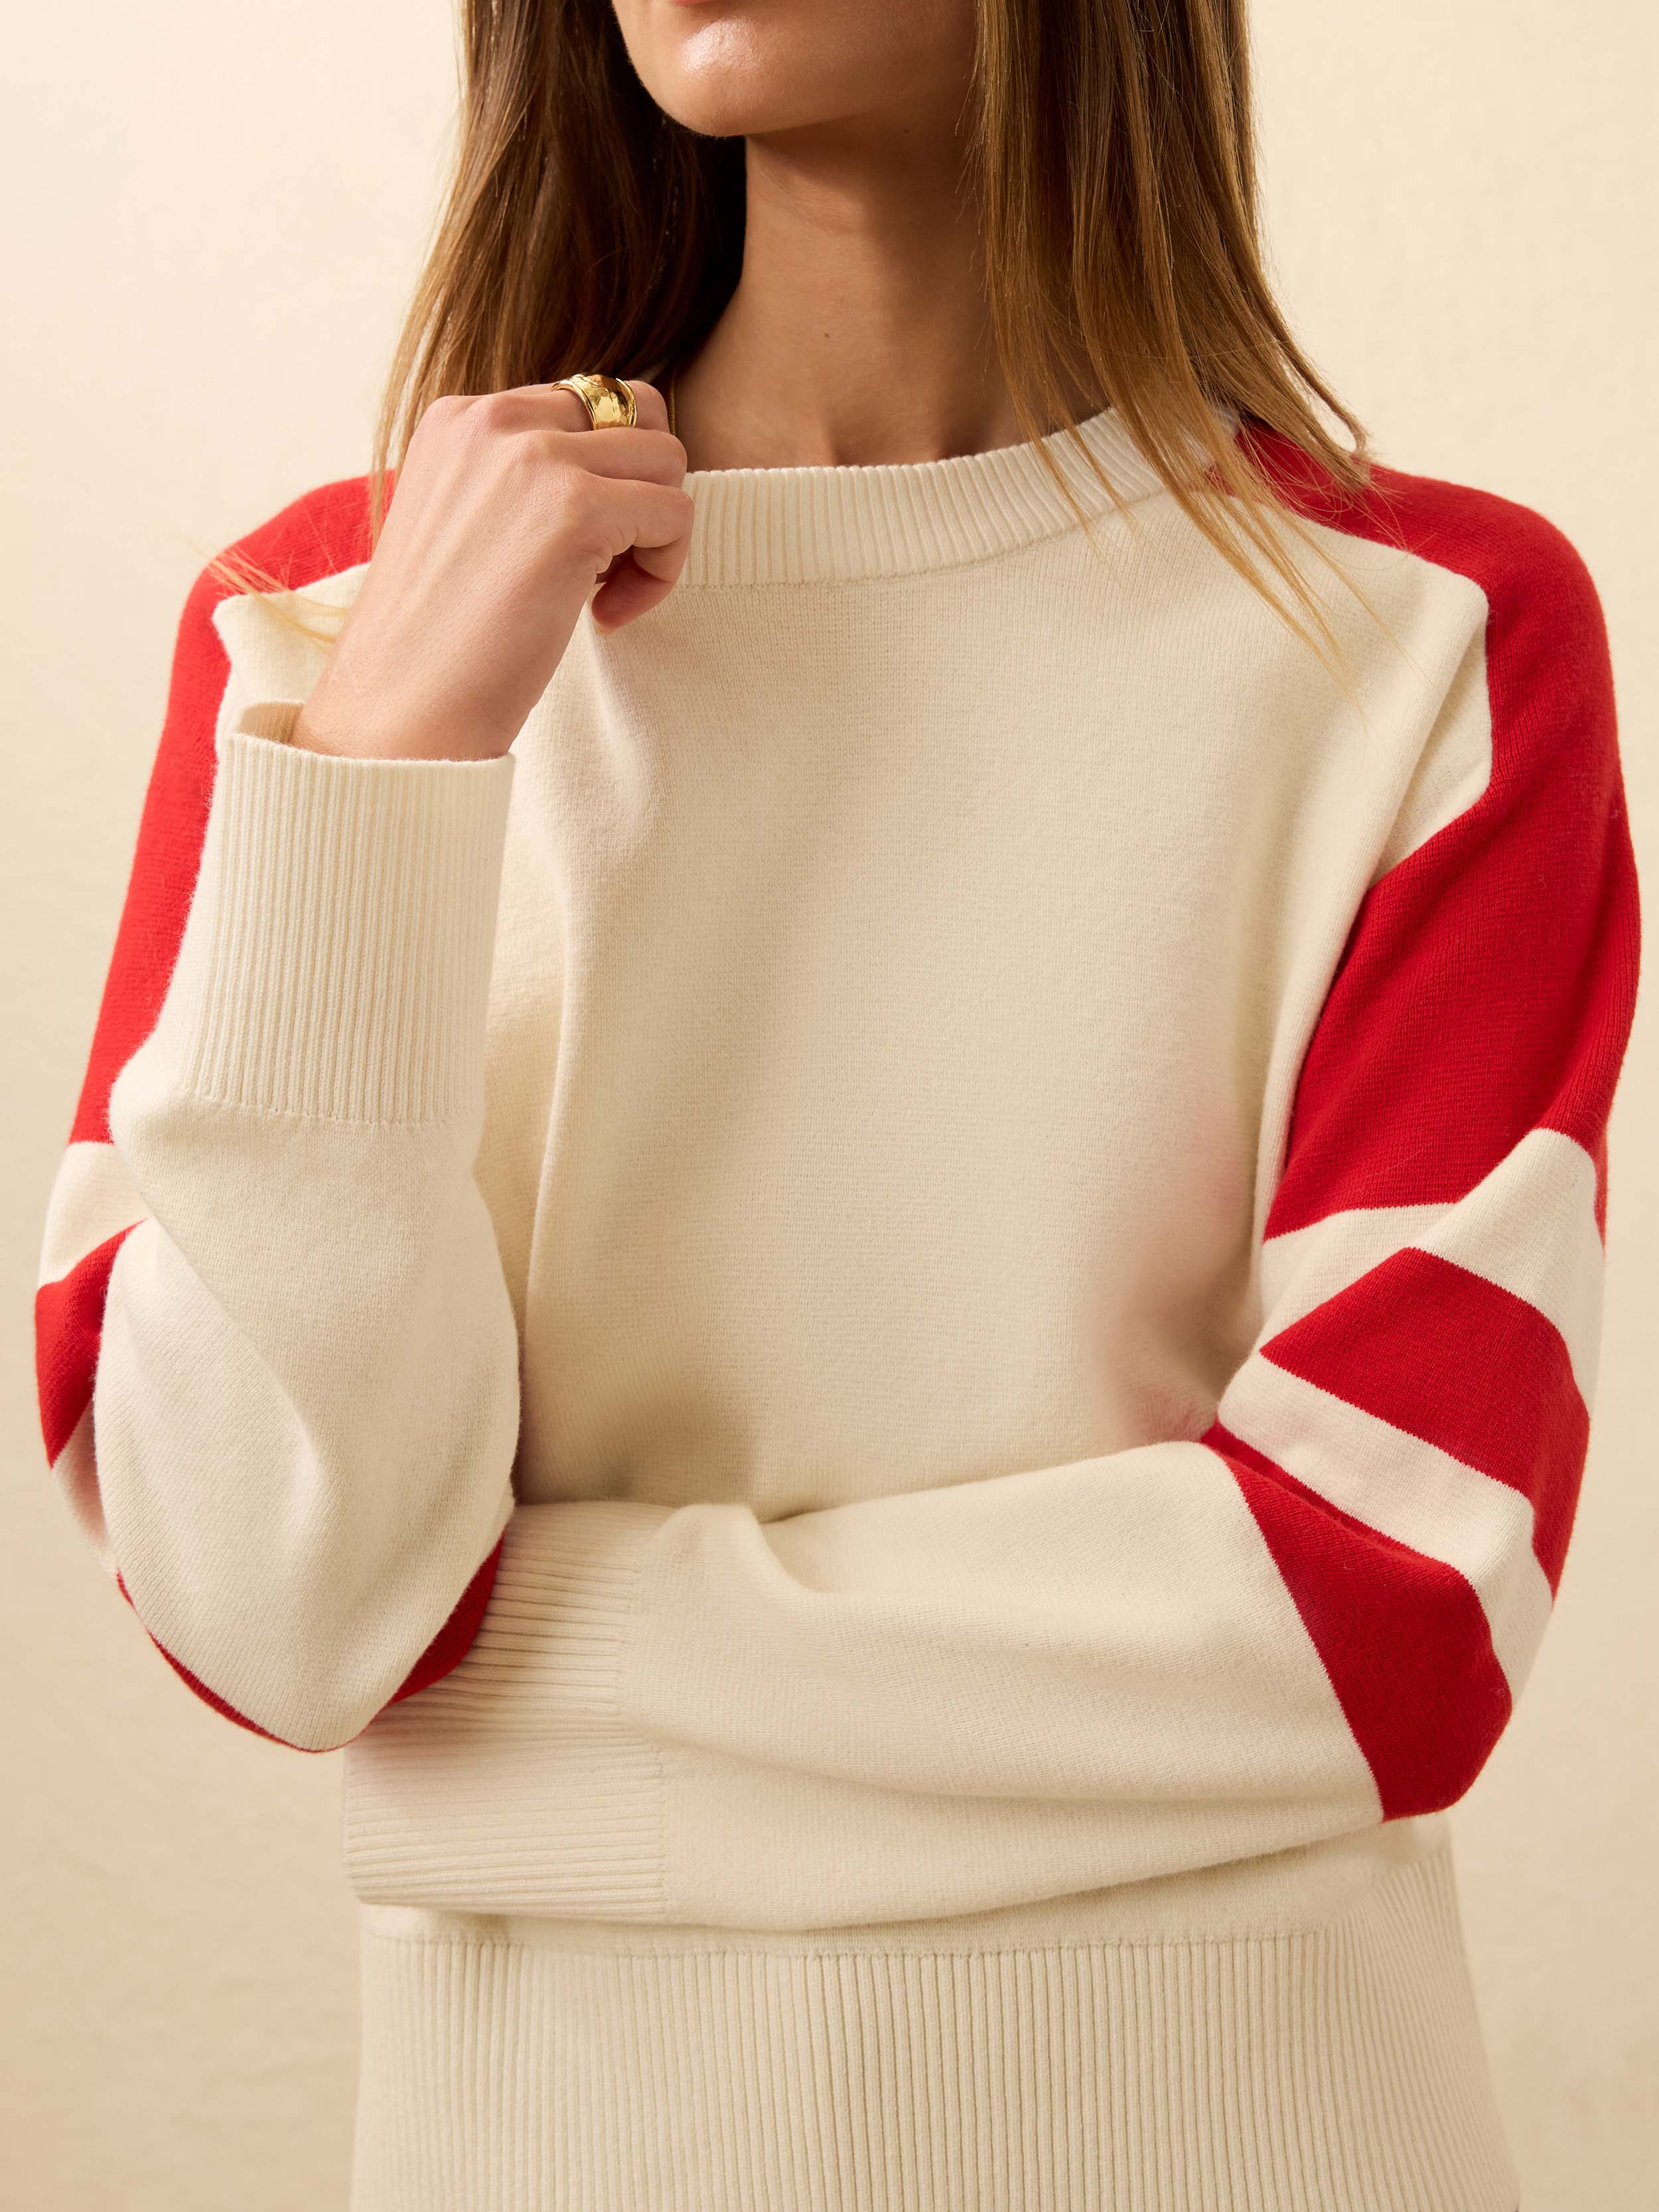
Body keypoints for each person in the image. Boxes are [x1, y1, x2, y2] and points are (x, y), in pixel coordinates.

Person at [33, 1, 1637, 2207]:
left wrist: (482, 1746)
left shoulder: (1428, 634)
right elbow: (273, 1602)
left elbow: (1383, 1611)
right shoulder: (327, 635)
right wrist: (395, 768)